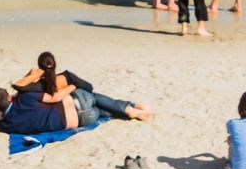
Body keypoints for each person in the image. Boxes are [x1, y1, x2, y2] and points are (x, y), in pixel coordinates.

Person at [10, 52, 153, 126]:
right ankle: (129, 108)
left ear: (39, 66)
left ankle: (128, 110)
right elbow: (89, 87)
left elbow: (18, 86)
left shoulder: (37, 85)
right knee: (94, 97)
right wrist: (73, 86)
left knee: (97, 108)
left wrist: (33, 74)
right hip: (79, 103)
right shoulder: (64, 77)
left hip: (74, 115)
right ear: (55, 63)